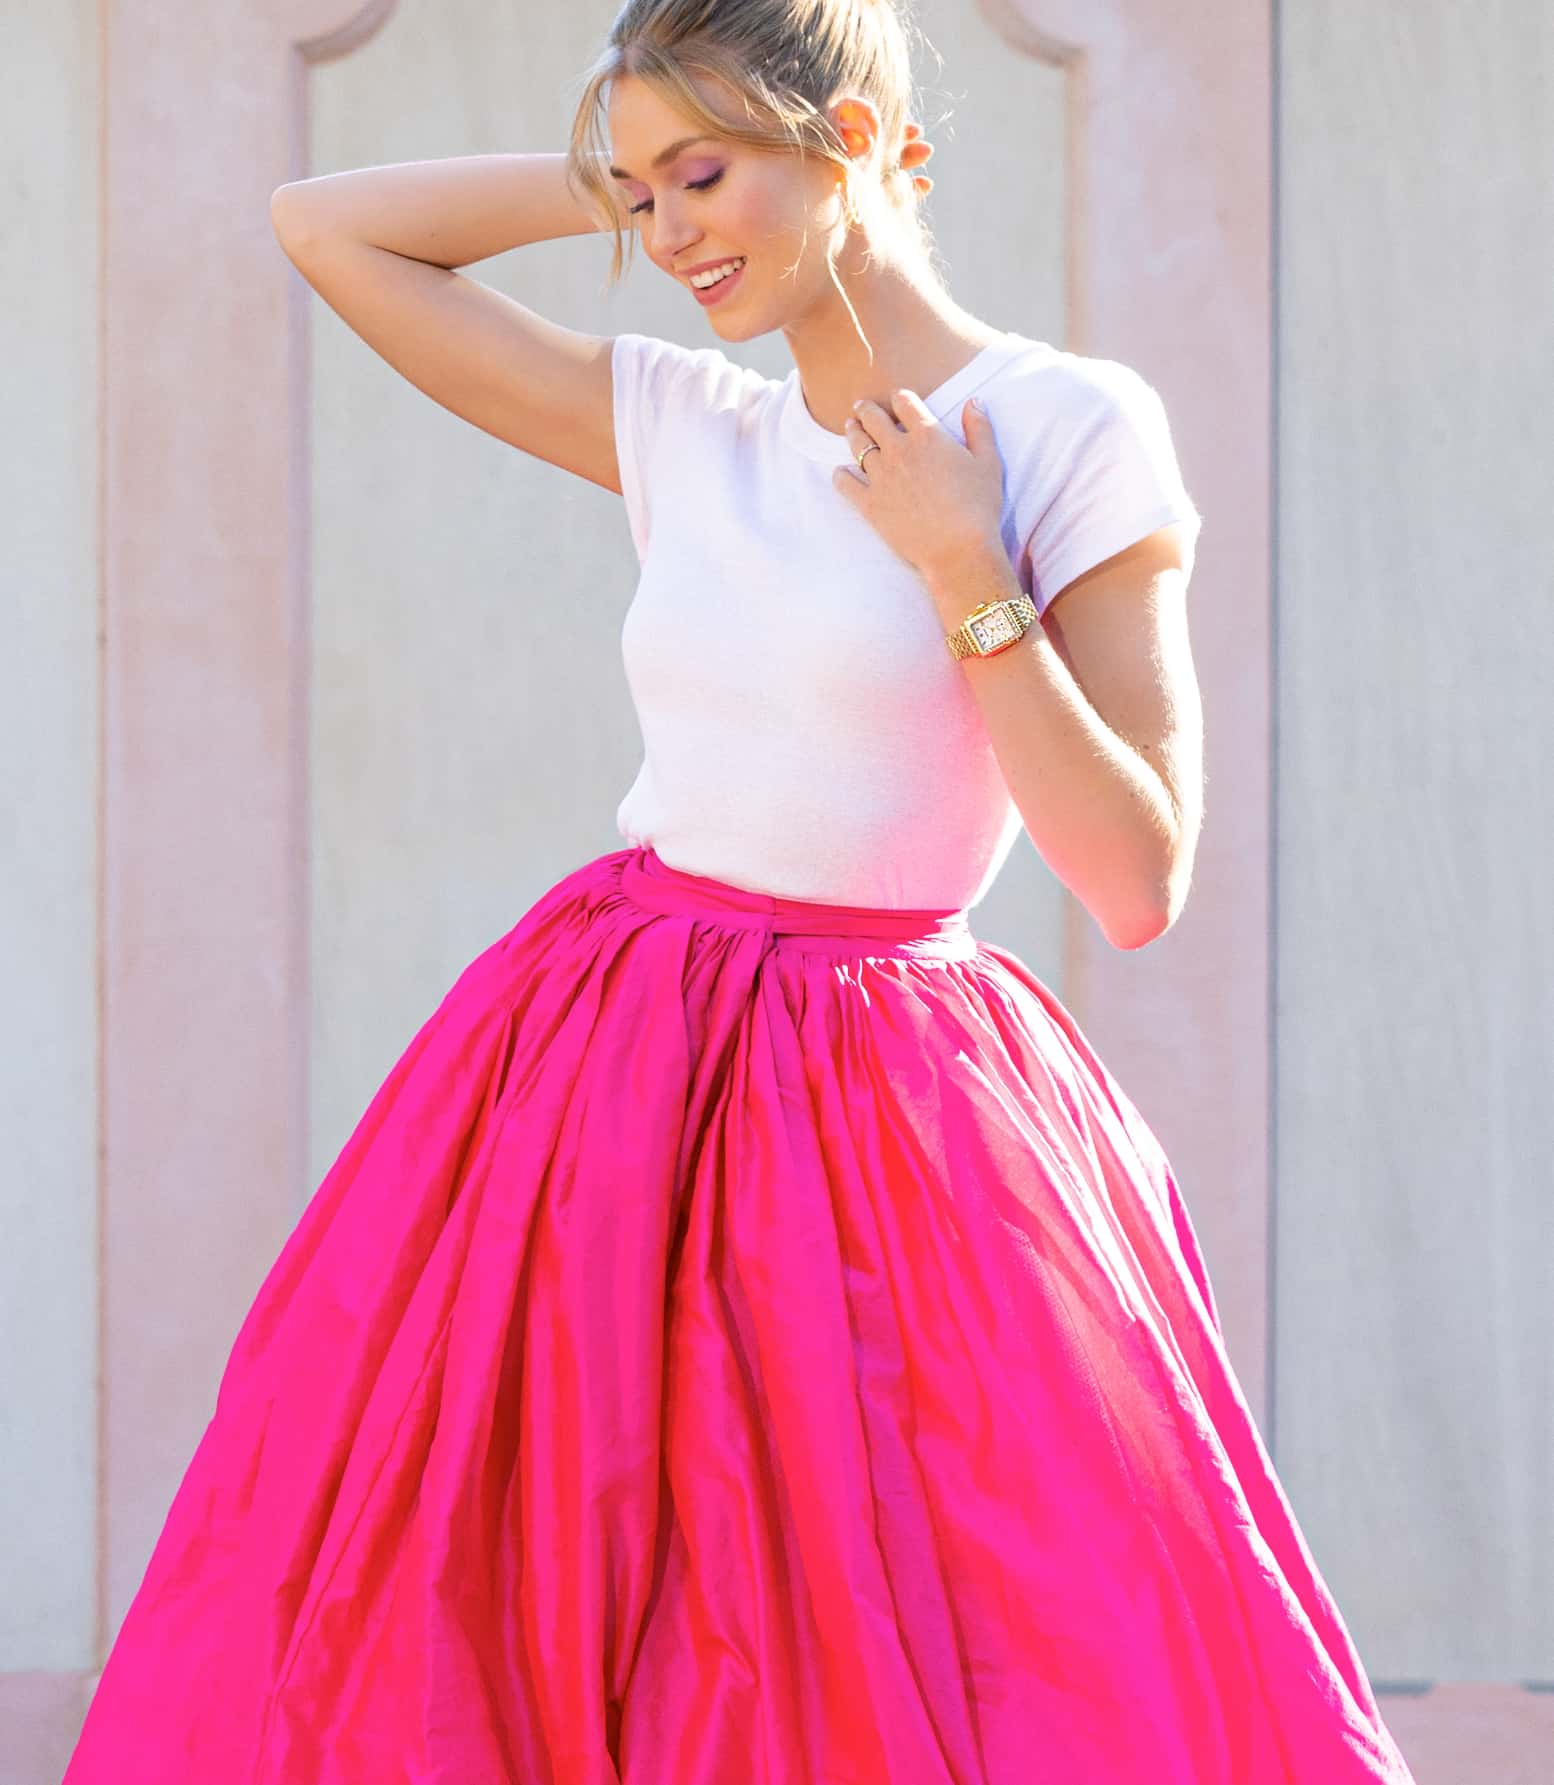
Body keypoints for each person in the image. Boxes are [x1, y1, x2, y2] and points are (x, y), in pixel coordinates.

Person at [63, 1, 1418, 1780]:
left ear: (856, 144)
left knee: (952, 1617)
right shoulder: (684, 422)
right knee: (549, 1575)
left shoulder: (1064, 423)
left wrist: (960, 566)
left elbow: (1134, 873)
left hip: (891, 1100)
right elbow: (329, 225)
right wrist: (611, 175)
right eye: (638, 194)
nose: (670, 234)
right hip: (604, 1066)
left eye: (703, 175)